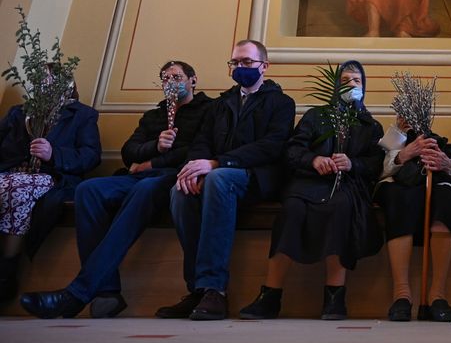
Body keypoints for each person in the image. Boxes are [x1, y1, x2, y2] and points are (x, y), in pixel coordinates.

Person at [19, 61, 212, 319]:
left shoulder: (210, 110)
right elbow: (128, 152)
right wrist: (155, 146)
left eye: (177, 76)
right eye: (165, 78)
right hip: (138, 176)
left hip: (171, 177)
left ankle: (77, 293)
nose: (170, 82)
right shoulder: (154, 115)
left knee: (143, 189)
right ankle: (107, 291)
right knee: (88, 190)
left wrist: (153, 161)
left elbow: (200, 149)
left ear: (193, 80)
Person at [156, 40, 295, 321]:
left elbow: (272, 146)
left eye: (247, 62)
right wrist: (195, 167)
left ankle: (215, 290)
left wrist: (217, 163)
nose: (240, 67)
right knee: (179, 191)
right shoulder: (220, 104)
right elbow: (202, 141)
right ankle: (197, 289)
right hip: (218, 173)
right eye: (235, 63)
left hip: (257, 177)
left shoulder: (281, 102)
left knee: (219, 179)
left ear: (264, 66)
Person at [239, 61, 384, 321]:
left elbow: (375, 164)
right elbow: (292, 150)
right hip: (309, 181)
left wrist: (353, 164)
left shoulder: (370, 126)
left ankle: (334, 296)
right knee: (292, 209)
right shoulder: (315, 116)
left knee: (341, 208)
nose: (351, 85)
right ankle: (270, 295)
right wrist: (314, 160)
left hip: (346, 185)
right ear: (334, 86)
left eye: (357, 81)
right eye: (345, 80)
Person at [0, 74, 101, 302]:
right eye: (40, 79)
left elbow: (91, 156)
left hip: (50, 176)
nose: (44, 84)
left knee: (15, 190)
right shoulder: (18, 113)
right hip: (11, 172)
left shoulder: (82, 115)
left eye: (51, 80)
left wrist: (54, 154)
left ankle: (6, 269)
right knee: (10, 187)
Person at [374, 116, 451, 322]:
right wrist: (404, 154)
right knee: (400, 198)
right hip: (399, 190)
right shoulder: (390, 138)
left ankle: (437, 295)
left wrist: (447, 165)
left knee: (446, 198)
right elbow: (375, 171)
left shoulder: (434, 140)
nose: (408, 119)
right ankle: (401, 295)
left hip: (433, 189)